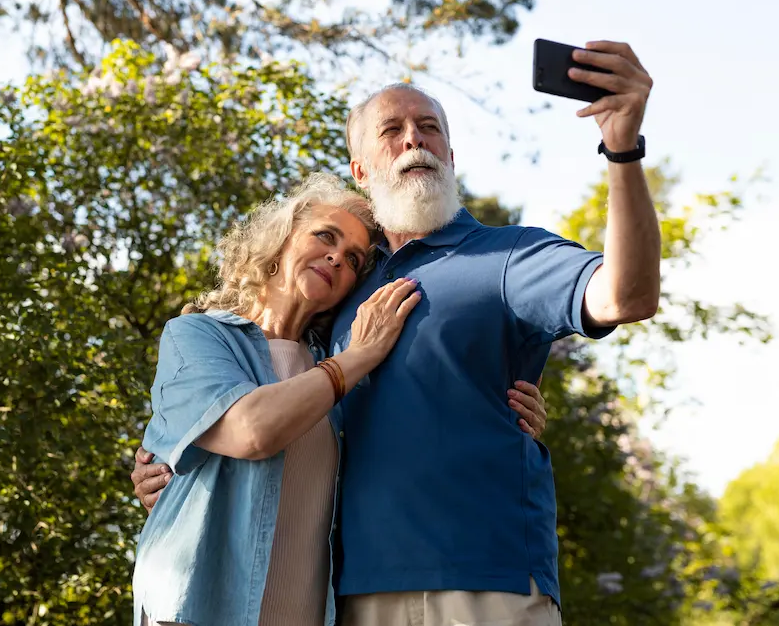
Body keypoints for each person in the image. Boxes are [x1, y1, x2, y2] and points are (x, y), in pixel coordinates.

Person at [134, 39, 658, 625]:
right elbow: (254, 399)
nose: (414, 139)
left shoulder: (509, 254)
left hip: (485, 578)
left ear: (451, 155)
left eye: (429, 127)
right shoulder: (336, 299)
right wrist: (167, 458)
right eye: (392, 130)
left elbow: (627, 295)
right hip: (349, 595)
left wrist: (622, 149)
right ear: (361, 171)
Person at [131, 172, 551, 626]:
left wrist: (504, 405)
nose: (336, 256)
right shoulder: (198, 334)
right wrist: (361, 355)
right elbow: (252, 431)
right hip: (199, 608)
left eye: (353, 258)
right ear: (281, 238)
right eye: (324, 236)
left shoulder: (330, 363)